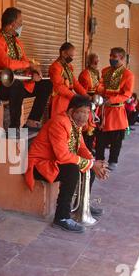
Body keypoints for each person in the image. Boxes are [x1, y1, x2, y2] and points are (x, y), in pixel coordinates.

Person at [25, 95, 109, 233]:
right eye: (82, 112)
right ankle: (62, 217)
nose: (85, 116)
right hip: (40, 165)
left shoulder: (75, 123)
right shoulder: (59, 122)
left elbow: (81, 147)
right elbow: (62, 156)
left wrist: (92, 162)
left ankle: (84, 203)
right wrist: (90, 164)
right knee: (72, 170)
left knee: (89, 169)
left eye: (87, 112)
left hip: (54, 162)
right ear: (71, 111)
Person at [0, 7, 52, 138]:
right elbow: (8, 64)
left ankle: (32, 121)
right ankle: (13, 129)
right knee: (16, 86)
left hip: (19, 84)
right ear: (12, 24)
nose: (22, 25)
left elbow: (24, 61)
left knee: (47, 84)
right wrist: (29, 64)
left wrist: (33, 72)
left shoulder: (17, 42)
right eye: (20, 22)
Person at [95, 47, 134, 171]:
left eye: (114, 57)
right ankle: (99, 159)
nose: (111, 58)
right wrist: (99, 93)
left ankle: (113, 161)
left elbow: (126, 95)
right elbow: (100, 86)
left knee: (116, 140)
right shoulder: (105, 71)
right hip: (103, 110)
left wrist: (111, 100)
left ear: (122, 58)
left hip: (117, 111)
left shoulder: (128, 75)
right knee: (100, 138)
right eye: (110, 56)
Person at [48, 42, 89, 118]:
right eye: (71, 56)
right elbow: (58, 87)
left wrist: (85, 95)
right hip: (59, 101)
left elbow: (75, 83)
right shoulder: (55, 67)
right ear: (63, 53)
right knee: (58, 123)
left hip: (68, 99)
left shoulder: (68, 66)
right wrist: (73, 96)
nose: (72, 58)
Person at [78, 53, 101, 152]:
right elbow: (82, 91)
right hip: (87, 101)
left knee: (95, 125)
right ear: (90, 61)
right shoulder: (84, 74)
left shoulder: (96, 72)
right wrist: (89, 100)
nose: (97, 62)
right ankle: (86, 148)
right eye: (95, 60)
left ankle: (92, 146)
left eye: (97, 60)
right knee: (87, 127)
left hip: (96, 102)